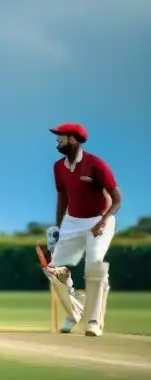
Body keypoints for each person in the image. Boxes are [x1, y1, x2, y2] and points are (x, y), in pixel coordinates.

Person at [42, 123, 122, 336]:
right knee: (54, 271)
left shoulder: (95, 164)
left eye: (61, 136)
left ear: (73, 139)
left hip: (99, 219)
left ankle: (94, 320)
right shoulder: (58, 167)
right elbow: (63, 197)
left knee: (95, 265)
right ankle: (75, 310)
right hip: (72, 221)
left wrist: (103, 221)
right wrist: (59, 227)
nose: (57, 140)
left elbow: (117, 199)